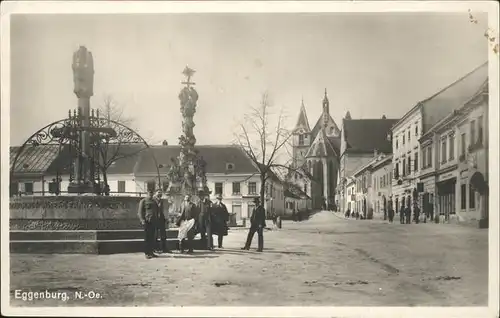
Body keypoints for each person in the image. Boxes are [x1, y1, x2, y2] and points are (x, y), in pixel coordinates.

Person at [137, 189, 159, 259]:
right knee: (147, 238)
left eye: (152, 193)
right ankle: (147, 253)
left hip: (153, 222)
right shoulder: (143, 201)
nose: (151, 194)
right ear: (147, 193)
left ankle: (151, 252)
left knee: (152, 238)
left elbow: (157, 211)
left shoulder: (154, 201)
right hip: (147, 222)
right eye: (149, 193)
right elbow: (140, 212)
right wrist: (142, 220)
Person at [154, 190, 171, 254]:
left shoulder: (163, 201)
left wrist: (166, 218)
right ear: (155, 194)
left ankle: (164, 249)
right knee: (155, 235)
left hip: (161, 219)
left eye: (161, 193)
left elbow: (165, 210)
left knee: (163, 235)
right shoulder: (153, 200)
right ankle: (155, 248)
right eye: (158, 193)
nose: (159, 194)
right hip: (155, 220)